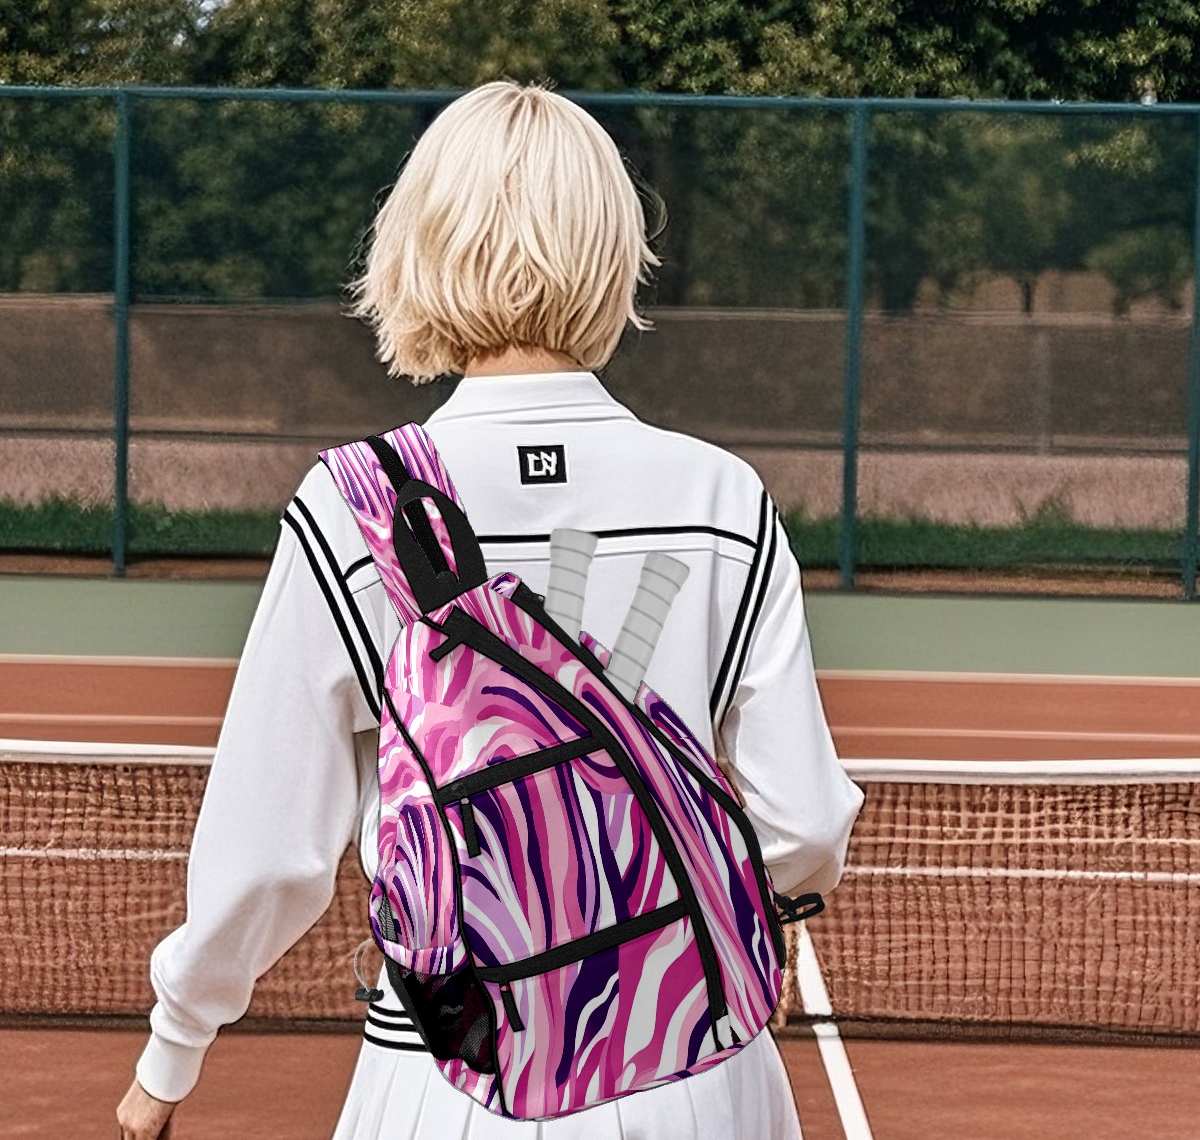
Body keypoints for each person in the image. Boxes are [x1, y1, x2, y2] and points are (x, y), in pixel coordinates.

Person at [118, 79, 864, 1140]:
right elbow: (808, 824)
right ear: (614, 252)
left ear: (421, 246)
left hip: (446, 1071)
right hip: (694, 1058)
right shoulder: (722, 497)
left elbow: (270, 853)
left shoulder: (352, 507)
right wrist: (734, 912)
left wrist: (172, 1053)